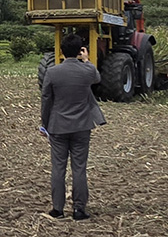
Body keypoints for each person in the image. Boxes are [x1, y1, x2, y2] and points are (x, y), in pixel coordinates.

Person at [40, 33, 106, 221]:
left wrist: (45, 124)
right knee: (79, 168)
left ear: (61, 51)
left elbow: (46, 100)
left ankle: (57, 209)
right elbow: (97, 77)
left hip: (58, 126)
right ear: (79, 51)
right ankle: (79, 209)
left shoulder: (52, 72)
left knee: (58, 168)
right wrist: (86, 60)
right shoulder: (87, 71)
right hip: (82, 126)